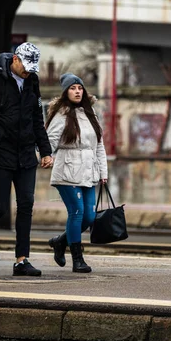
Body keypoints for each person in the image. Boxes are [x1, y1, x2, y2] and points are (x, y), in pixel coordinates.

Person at [0, 42, 53, 277]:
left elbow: (37, 118)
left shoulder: (32, 81)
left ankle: (21, 260)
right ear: (15, 59)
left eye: (31, 68)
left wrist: (45, 150)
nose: (28, 71)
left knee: (26, 205)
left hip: (25, 155)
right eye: (25, 67)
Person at [45, 73, 108, 273]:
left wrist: (103, 172)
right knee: (77, 212)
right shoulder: (61, 113)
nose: (77, 91)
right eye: (72, 88)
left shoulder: (91, 113)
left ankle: (60, 241)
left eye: (79, 88)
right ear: (66, 92)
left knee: (89, 217)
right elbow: (51, 139)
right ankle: (77, 259)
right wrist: (45, 155)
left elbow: (99, 146)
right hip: (68, 170)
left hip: (89, 172)